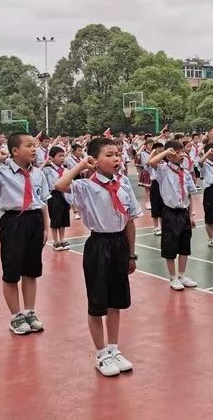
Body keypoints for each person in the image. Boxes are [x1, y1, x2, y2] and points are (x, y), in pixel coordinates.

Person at [55, 137, 141, 377]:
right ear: (95, 159)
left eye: (118, 154)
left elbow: (131, 220)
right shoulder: (85, 186)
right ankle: (101, 353)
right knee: (98, 302)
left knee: (116, 301)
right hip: (98, 245)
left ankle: (114, 348)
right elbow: (60, 185)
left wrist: (131, 254)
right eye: (109, 154)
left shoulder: (123, 183)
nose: (116, 158)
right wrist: (82, 165)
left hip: (120, 244)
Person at [0, 133, 51, 335]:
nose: (34, 149)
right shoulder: (2, 172)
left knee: (31, 270)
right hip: (13, 222)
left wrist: (45, 227)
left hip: (34, 220)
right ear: (15, 151)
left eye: (35, 146)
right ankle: (16, 316)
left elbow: (42, 202)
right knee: (12, 272)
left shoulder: (38, 173)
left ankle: (29, 312)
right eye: (29, 146)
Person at [148, 140, 198, 291]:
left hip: (183, 212)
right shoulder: (163, 170)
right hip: (169, 212)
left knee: (184, 246)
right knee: (170, 246)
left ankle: (182, 275)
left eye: (182, 151)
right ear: (170, 155)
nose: (182, 154)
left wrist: (191, 216)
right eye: (178, 152)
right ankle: (173, 277)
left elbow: (189, 196)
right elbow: (151, 162)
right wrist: (165, 152)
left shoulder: (186, 173)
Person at [43, 146, 72, 251]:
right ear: (52, 158)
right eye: (59, 156)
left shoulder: (66, 170)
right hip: (53, 195)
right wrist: (46, 162)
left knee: (64, 217)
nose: (62, 158)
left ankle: (62, 240)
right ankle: (55, 241)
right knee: (55, 218)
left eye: (63, 156)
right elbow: (37, 171)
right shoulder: (47, 170)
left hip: (65, 194)